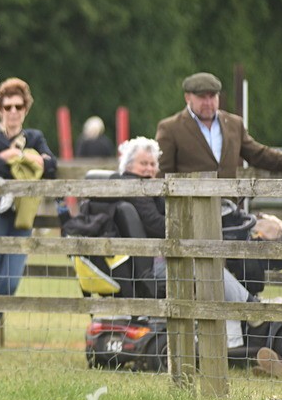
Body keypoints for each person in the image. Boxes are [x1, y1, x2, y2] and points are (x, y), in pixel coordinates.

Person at [102, 137, 262, 349]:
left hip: (152, 259)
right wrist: (194, 226)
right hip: (152, 264)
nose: (149, 168)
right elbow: (157, 224)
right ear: (129, 166)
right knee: (205, 268)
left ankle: (236, 334)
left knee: (207, 269)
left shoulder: (144, 188)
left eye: (152, 164)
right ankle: (251, 309)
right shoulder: (137, 189)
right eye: (143, 163)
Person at [0, 77, 57, 346]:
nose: (13, 112)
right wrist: (27, 157)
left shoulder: (35, 136)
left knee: (9, 282)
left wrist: (14, 156)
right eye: (7, 106)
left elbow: (51, 166)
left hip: (23, 217)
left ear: (26, 109)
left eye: (18, 106)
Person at [155, 72, 282, 178]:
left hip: (230, 208)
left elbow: (259, 155)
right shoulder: (170, 128)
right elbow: (162, 173)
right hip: (189, 209)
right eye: (202, 97)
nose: (208, 102)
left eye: (212, 96)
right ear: (188, 97)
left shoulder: (234, 124)